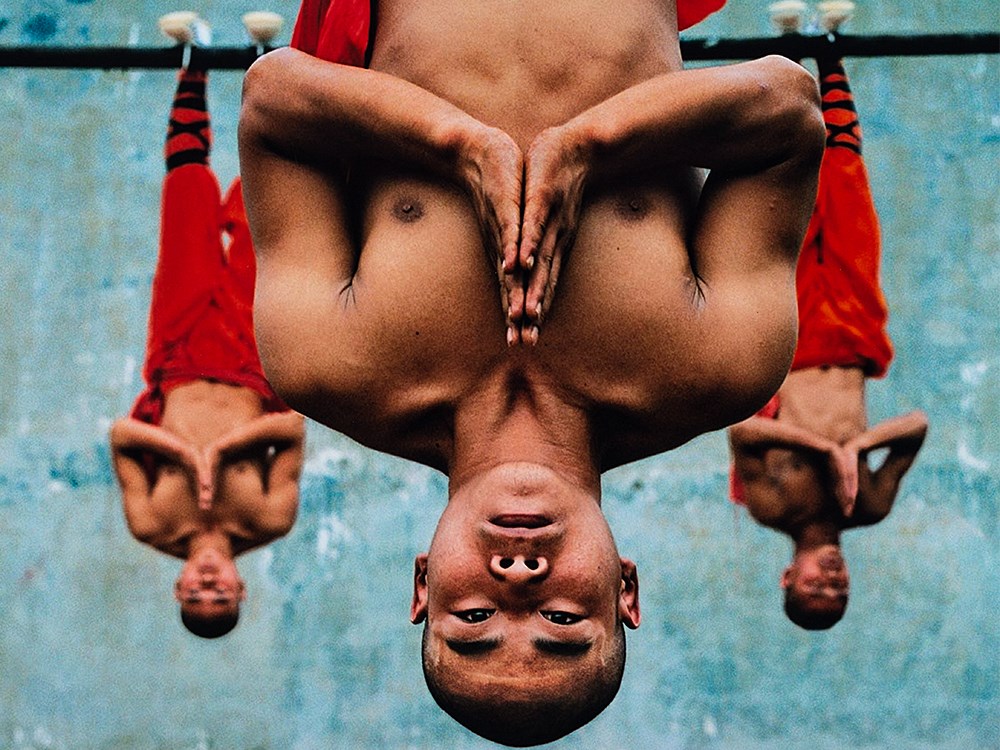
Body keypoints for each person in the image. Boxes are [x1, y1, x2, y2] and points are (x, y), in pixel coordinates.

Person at [239, 0, 825, 743]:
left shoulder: (326, 365)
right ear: (626, 590)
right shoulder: (721, 367)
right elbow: (790, 112)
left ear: (424, 584)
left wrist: (456, 145)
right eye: (563, 621)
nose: (518, 579)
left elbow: (272, 99)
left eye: (475, 620)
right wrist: (591, 145)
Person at [727, 57, 928, 631]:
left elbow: (743, 432)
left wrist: (820, 449)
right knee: (847, 201)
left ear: (789, 577)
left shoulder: (772, 508)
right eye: (839, 591)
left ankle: (777, 73)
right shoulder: (868, 505)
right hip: (854, 337)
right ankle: (830, 61)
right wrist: (857, 449)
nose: (831, 579)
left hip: (790, 336)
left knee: (783, 208)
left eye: (816, 587)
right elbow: (915, 425)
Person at [110, 64, 305, 640]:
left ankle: (190, 70)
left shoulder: (150, 523)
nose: (208, 582)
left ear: (179, 587)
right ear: (240, 588)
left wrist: (183, 453)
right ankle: (271, 68)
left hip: (179, 355)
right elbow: (292, 429)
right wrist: (219, 452)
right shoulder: (269, 518)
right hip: (252, 357)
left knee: (187, 209)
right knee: (261, 218)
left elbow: (121, 435)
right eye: (219, 594)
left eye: (197, 593)